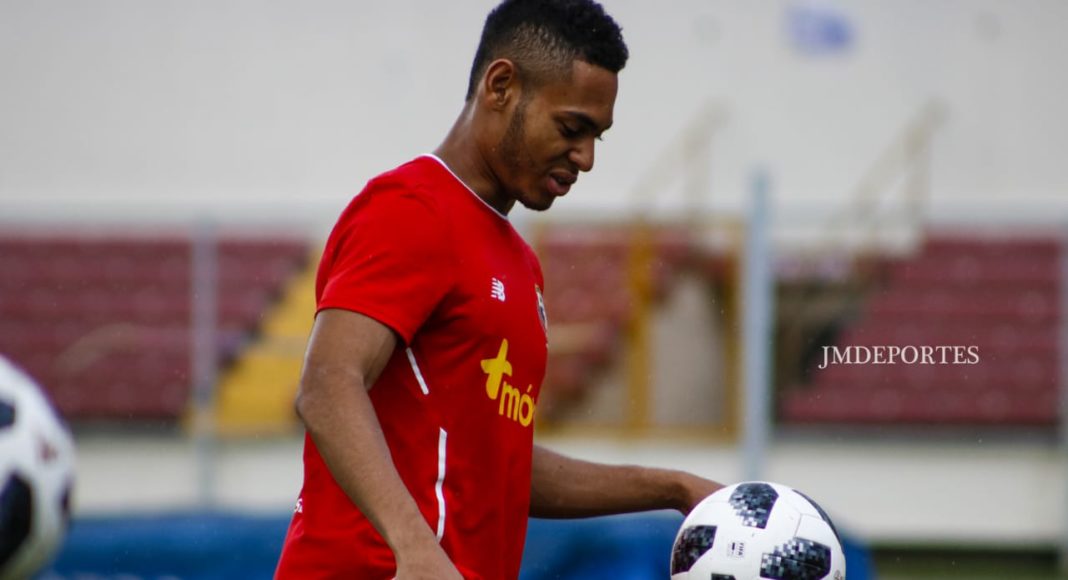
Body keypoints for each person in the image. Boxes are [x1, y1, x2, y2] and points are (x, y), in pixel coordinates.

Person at [274, 1, 723, 578]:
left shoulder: (520, 262)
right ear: (501, 86)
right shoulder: (412, 209)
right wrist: (414, 548)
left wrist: (674, 488)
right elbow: (328, 383)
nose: (586, 158)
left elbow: (498, 463)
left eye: (597, 137)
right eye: (572, 128)